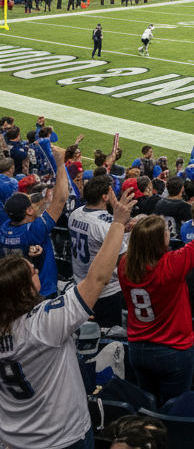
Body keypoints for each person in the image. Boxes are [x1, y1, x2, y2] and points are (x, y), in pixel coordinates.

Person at [0, 185, 134, 449]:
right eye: (33, 273)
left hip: (12, 437)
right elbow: (97, 279)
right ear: (25, 288)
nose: (37, 271)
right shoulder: (45, 323)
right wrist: (118, 223)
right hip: (61, 436)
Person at [118, 178, 194, 404]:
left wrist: (118, 223)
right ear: (158, 241)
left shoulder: (124, 265)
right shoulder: (171, 265)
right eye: (165, 232)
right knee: (174, 408)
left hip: (137, 347)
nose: (169, 234)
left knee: (148, 404)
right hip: (171, 348)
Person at [1, 146, 70, 298]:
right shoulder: (34, 231)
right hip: (42, 291)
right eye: (30, 202)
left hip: (19, 290)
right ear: (29, 211)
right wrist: (60, 164)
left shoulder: (5, 229)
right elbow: (60, 199)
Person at [67, 175, 130, 328]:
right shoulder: (105, 225)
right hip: (107, 291)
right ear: (105, 197)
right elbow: (124, 259)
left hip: (80, 283)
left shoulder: (76, 213)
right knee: (108, 333)